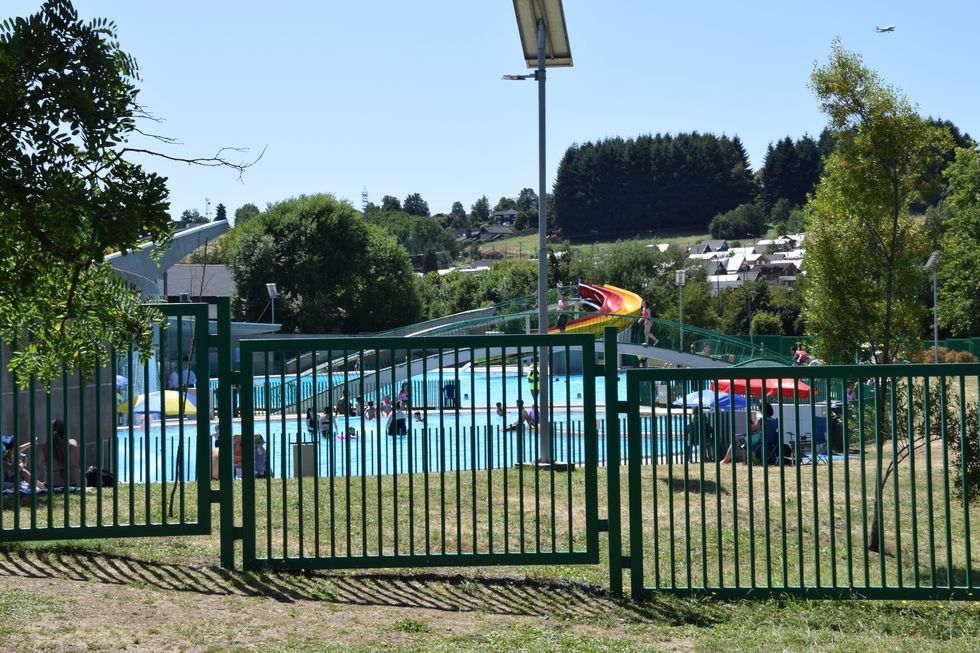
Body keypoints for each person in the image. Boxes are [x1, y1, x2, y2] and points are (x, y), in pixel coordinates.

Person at [32, 419, 80, 488]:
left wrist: (30, 487)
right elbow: (74, 466)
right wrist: (79, 486)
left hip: (51, 486)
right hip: (70, 485)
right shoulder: (72, 443)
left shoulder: (42, 447)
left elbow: (38, 468)